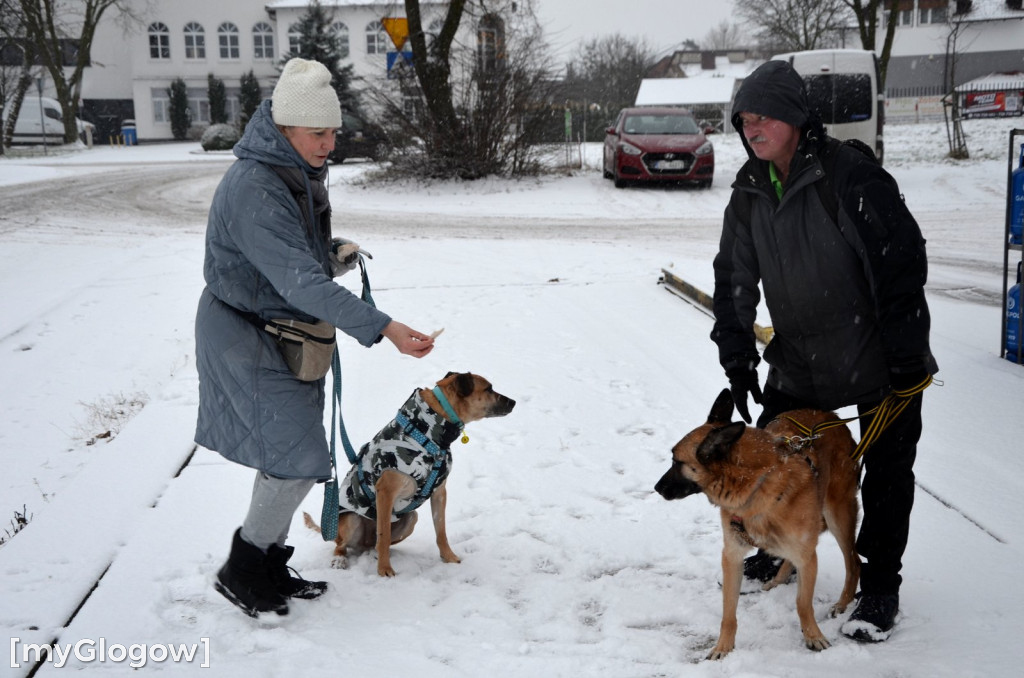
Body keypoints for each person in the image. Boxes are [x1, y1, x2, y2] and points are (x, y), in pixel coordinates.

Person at [194, 58, 435, 618]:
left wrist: (331, 255)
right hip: (245, 334)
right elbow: (296, 280)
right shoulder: (256, 185)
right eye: (318, 133)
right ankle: (243, 569)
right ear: (285, 129)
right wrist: (385, 327)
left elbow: (293, 259)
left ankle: (266, 561)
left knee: (292, 455)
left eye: (334, 132)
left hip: (283, 331)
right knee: (297, 458)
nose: (330, 144)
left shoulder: (290, 171)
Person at [710, 60, 938, 643]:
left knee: (885, 478)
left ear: (794, 117)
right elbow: (735, 276)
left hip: (876, 363)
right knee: (767, 462)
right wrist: (737, 356)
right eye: (744, 119)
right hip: (800, 364)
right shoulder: (750, 188)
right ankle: (776, 546)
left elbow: (901, 267)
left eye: (763, 117)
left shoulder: (852, 176)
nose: (752, 127)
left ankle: (879, 587)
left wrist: (907, 355)